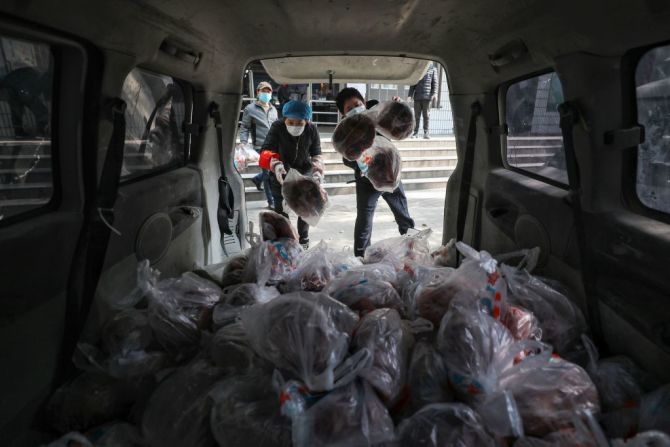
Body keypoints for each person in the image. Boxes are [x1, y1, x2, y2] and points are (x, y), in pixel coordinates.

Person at [335, 87, 416, 257]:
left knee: (402, 214)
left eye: (357, 104)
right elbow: (345, 158)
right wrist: (360, 163)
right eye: (349, 109)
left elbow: (401, 127)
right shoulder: (345, 131)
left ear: (363, 102)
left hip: (390, 174)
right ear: (343, 114)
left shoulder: (381, 114)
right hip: (366, 180)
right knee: (364, 220)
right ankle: (361, 257)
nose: (355, 109)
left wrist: (400, 108)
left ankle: (413, 248)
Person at [261, 100, 324, 249]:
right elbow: (265, 150)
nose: (295, 125)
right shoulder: (278, 126)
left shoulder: (312, 129)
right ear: (285, 119)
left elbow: (317, 152)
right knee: (281, 211)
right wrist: (275, 164)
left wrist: (318, 170)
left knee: (306, 208)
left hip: (304, 174)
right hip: (281, 173)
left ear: (307, 121)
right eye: (291, 122)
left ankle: (303, 240)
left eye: (299, 123)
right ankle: (287, 242)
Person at [238, 81, 278, 208]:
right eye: (263, 91)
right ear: (258, 92)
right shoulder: (250, 109)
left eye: (268, 91)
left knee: (272, 171)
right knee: (268, 174)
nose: (266, 93)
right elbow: (244, 127)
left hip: (275, 145)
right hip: (261, 147)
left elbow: (277, 127)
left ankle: (257, 179)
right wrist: (243, 142)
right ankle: (271, 201)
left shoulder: (274, 109)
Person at [408, 63, 437, 139]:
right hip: (417, 97)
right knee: (416, 116)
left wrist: (434, 94)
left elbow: (435, 83)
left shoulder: (432, 69)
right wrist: (410, 95)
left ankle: (426, 133)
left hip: (427, 97)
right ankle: (415, 133)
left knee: (426, 116)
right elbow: (413, 83)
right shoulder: (418, 68)